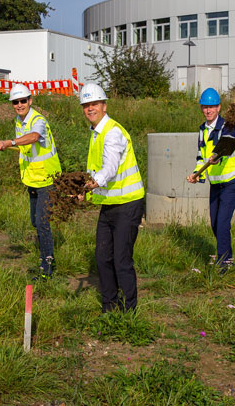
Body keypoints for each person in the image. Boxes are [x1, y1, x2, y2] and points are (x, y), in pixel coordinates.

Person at [79, 83, 145, 312]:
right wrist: (85, 189)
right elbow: (98, 170)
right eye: (86, 105)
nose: (90, 109)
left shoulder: (113, 132)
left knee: (121, 260)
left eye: (94, 104)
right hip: (109, 205)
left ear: (104, 106)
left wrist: (94, 183)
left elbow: (110, 167)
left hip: (128, 204)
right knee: (102, 257)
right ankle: (109, 305)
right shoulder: (96, 133)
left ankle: (129, 311)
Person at [0, 84, 62, 280]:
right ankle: (46, 249)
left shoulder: (38, 120)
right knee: (36, 221)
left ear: (30, 101)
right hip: (32, 180)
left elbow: (34, 137)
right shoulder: (19, 121)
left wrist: (10, 142)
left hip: (47, 179)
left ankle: (46, 266)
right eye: (15, 102)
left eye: (23, 101)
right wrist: (2, 145)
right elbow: (24, 147)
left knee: (42, 223)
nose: (19, 105)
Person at [186, 88, 235, 273]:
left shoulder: (229, 126)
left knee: (222, 222)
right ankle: (225, 255)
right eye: (205, 107)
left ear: (219, 107)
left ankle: (225, 261)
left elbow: (226, 144)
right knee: (214, 223)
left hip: (232, 181)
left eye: (212, 107)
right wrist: (197, 174)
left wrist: (217, 156)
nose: (208, 110)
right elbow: (200, 158)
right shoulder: (202, 130)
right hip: (216, 183)